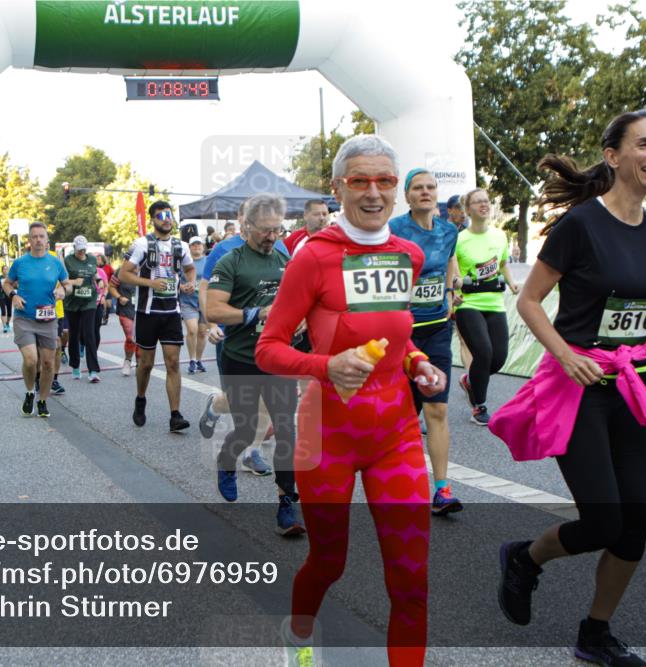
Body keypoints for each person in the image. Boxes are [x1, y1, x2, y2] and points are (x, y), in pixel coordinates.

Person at [491, 110, 646, 667]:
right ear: (614, 156)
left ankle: (596, 632)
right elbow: (530, 301)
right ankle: (524, 559)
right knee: (603, 521)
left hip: (635, 386)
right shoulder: (580, 225)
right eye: (644, 144)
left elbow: (633, 307)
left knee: (636, 522)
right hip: (580, 388)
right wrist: (566, 356)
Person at [256, 135, 447, 667]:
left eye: (385, 181)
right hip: (328, 434)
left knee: (411, 579)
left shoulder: (408, 255)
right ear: (338, 187)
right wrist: (325, 366)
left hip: (395, 435)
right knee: (328, 562)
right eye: (360, 181)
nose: (373, 192)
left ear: (397, 188)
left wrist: (416, 362)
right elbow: (268, 348)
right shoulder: (314, 257)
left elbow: (395, 334)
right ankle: (298, 634)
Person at [207, 194, 303, 535]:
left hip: (278, 358)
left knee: (286, 429)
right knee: (247, 430)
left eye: (278, 229)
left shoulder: (284, 257)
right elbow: (213, 309)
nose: (272, 236)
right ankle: (227, 459)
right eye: (265, 230)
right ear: (247, 226)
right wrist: (256, 313)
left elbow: (300, 299)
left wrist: (301, 319)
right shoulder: (230, 262)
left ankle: (287, 503)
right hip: (241, 358)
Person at [388, 168, 463, 515]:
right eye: (418, 188)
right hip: (401, 333)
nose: (425, 192)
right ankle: (395, 482)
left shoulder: (449, 231)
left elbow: (449, 262)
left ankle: (442, 489)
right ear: (407, 195)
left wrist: (448, 294)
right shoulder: (394, 230)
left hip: (436, 328)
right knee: (402, 413)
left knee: (437, 408)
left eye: (431, 187)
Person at [118, 201, 196, 431]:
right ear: (153, 219)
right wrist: (150, 283)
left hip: (172, 312)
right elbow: (124, 274)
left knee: (173, 362)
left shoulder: (181, 246)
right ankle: (140, 399)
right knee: (146, 364)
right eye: (161, 216)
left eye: (169, 215)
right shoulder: (142, 244)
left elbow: (190, 269)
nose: (166, 219)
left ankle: (175, 416)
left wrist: (190, 283)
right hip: (147, 312)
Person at [453, 188, 519, 425]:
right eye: (478, 202)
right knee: (483, 352)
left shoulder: (499, 236)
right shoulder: (459, 239)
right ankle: (479, 407)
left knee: (498, 358)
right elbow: (453, 273)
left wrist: (512, 283)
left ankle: (470, 380)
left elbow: (503, 264)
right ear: (468, 209)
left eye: (487, 201)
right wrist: (455, 288)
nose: (484, 205)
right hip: (468, 304)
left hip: (495, 303)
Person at [2, 222, 72, 418]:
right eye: (34, 236)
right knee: (31, 359)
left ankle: (42, 400)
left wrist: (63, 290)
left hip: (48, 319)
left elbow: (68, 285)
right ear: (29, 240)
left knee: (48, 363)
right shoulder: (20, 263)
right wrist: (13, 296)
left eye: (42, 236)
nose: (38, 240)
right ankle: (29, 391)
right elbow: (7, 283)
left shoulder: (56, 263)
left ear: (47, 240)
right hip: (24, 318)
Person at [64, 235, 104, 383]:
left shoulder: (92, 259)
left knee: (90, 334)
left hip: (89, 300)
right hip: (73, 302)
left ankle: (93, 371)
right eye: (79, 249)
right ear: (74, 248)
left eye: (83, 249)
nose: (81, 252)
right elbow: (62, 279)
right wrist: (74, 281)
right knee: (74, 334)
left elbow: (94, 273)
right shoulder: (68, 260)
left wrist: (99, 280)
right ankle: (75, 366)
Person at [180, 236, 208, 374]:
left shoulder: (209, 261)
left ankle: (198, 360)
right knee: (192, 330)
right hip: (187, 301)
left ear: (203, 246)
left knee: (202, 332)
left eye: (199, 244)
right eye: (194, 245)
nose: (197, 247)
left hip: (205, 301)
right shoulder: (184, 262)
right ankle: (191, 360)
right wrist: (181, 287)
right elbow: (174, 278)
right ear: (189, 247)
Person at [109, 264, 137, 376]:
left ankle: (140, 363)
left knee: (141, 339)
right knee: (131, 337)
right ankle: (128, 361)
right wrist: (119, 297)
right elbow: (111, 287)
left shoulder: (149, 269)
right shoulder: (121, 271)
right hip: (126, 309)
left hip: (143, 309)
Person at [0, 264, 13, 333]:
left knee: (9, 312)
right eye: (4, 269)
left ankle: (7, 323)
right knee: (3, 311)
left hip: (9, 296)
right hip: (1, 296)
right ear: (2, 270)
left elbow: (14, 284)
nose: (6, 270)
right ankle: (4, 326)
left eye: (7, 269)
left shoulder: (10, 277)